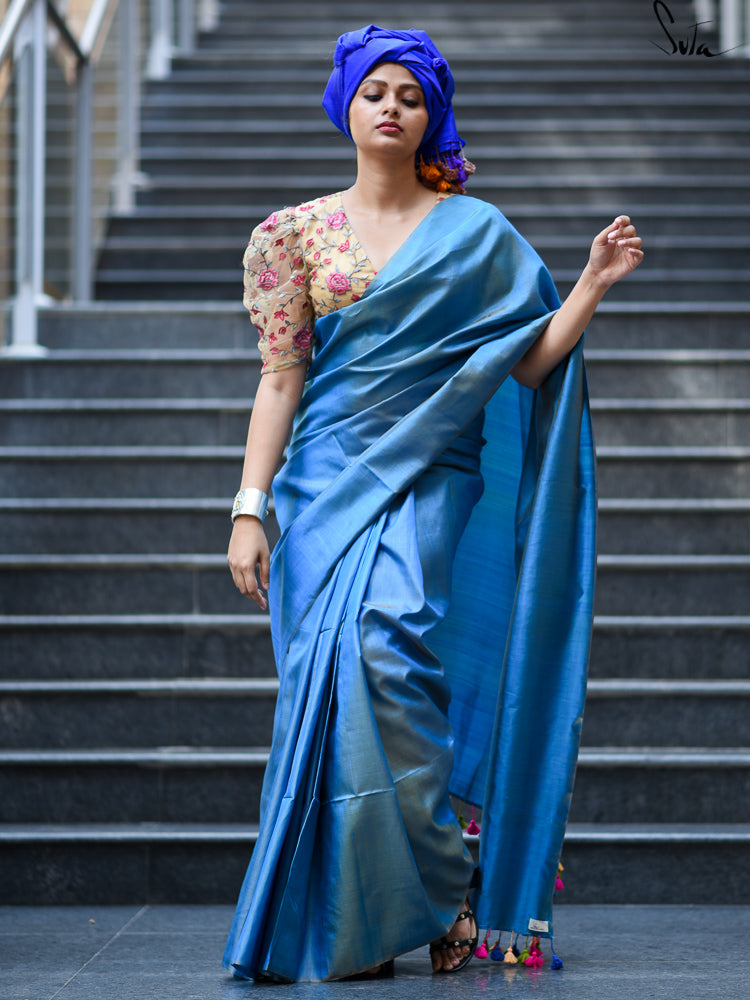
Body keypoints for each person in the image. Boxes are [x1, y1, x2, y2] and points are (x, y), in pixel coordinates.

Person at [223, 24, 643, 984]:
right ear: (345, 103)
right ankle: (361, 920)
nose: (392, 108)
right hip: (323, 485)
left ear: (431, 116)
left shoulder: (476, 234)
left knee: (386, 654)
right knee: (329, 690)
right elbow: (281, 379)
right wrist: (250, 507)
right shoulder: (291, 235)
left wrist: (589, 284)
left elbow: (530, 364)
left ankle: (447, 882)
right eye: (375, 91)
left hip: (431, 476)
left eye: (411, 96)